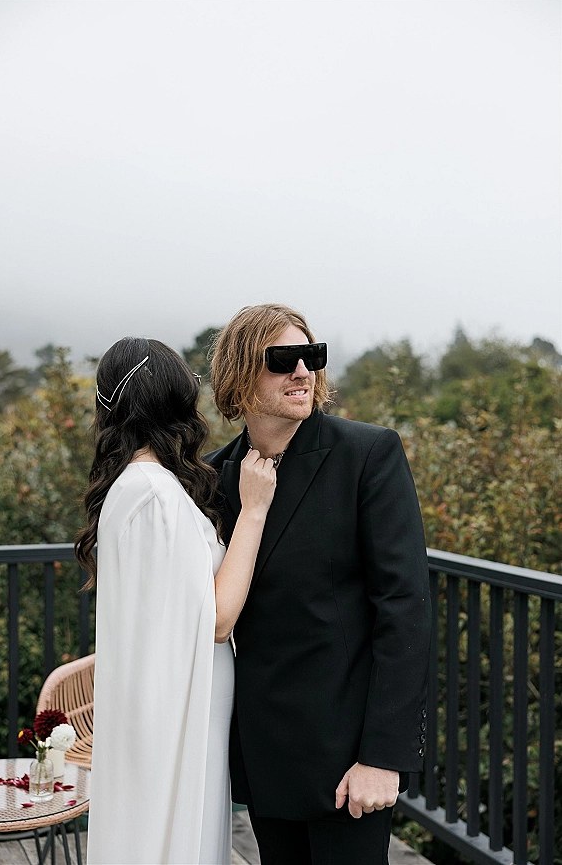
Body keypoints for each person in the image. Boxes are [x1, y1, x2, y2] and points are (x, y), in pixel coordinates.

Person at [206, 304, 432, 865]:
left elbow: (404, 609)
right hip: (264, 749)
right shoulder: (212, 478)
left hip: (349, 759)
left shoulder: (367, 453)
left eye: (312, 356)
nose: (302, 371)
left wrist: (384, 755)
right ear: (239, 371)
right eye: (283, 359)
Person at [75, 337, 276, 865]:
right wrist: (254, 510)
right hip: (178, 711)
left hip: (163, 700)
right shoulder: (157, 494)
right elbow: (216, 618)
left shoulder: (132, 485)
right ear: (170, 399)